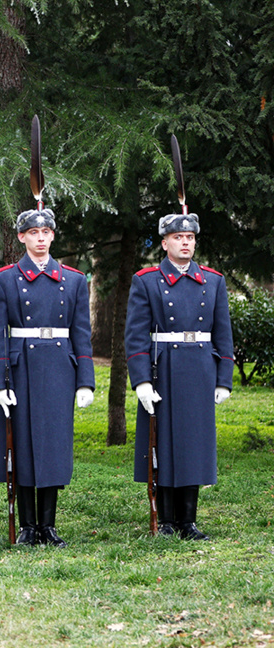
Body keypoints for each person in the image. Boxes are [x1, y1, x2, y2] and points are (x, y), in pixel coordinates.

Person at [0, 209, 95, 547]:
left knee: (53, 447)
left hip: (60, 366)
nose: (41, 237)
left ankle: (48, 525)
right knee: (21, 446)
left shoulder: (74, 280)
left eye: (47, 231)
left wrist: (85, 381)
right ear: (21, 237)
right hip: (21, 370)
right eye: (34, 232)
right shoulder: (4, 279)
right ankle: (27, 526)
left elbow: (81, 333)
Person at [125, 213, 232, 540]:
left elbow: (223, 333)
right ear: (165, 242)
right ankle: (166, 520)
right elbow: (136, 336)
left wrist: (223, 378)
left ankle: (189, 521)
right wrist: (142, 380)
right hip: (164, 368)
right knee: (165, 444)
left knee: (193, 445)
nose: (185, 243)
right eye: (178, 238)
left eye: (190, 238)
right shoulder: (146, 280)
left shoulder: (213, 281)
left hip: (200, 368)